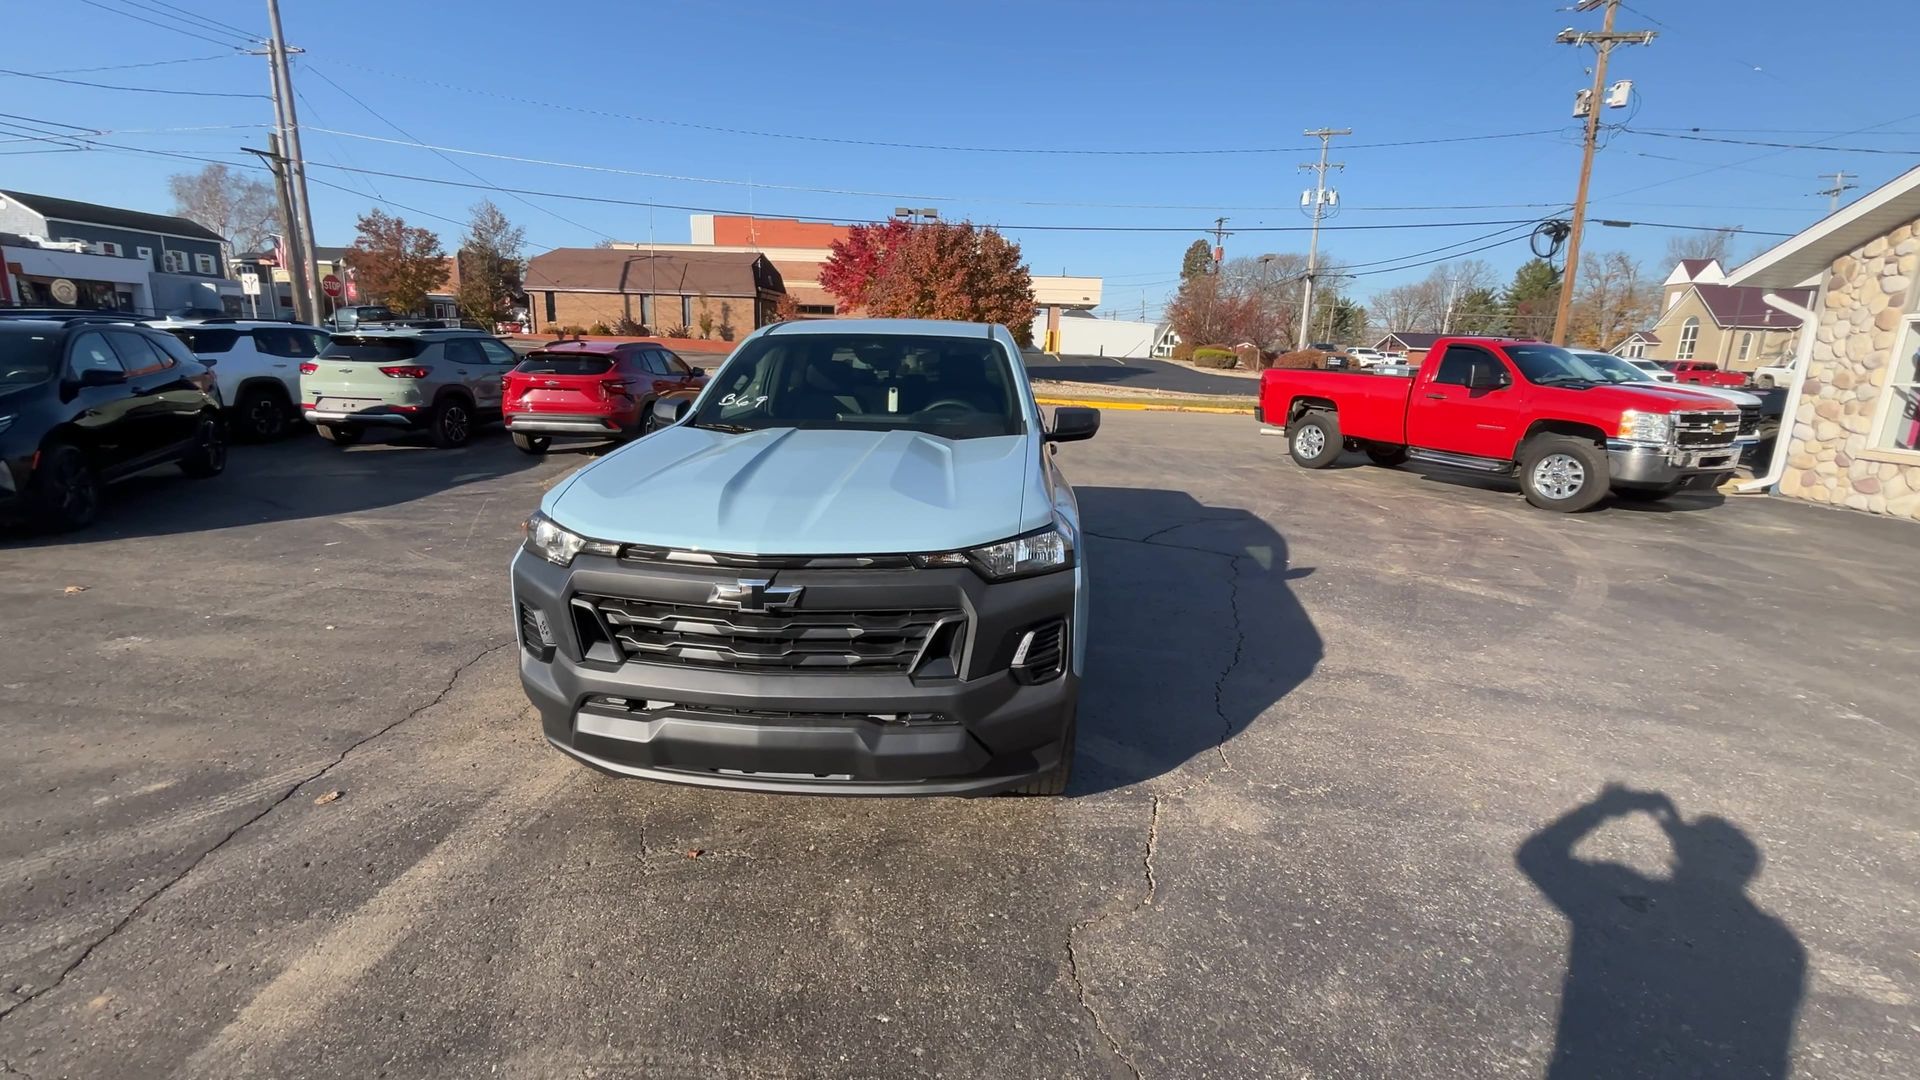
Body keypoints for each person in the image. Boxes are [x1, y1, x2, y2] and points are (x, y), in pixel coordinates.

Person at [1516, 784, 1805, 1079]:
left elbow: (1536, 855)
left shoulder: (1622, 898)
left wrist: (1605, 807)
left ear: (1679, 854)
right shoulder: (1778, 946)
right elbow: (1770, 1049)